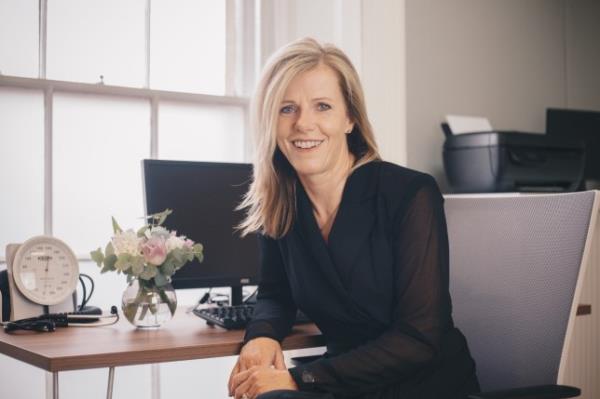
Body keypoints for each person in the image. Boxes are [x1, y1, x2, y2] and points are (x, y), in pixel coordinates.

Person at [227, 37, 479, 399]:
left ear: (350, 119)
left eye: (323, 106)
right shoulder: (282, 203)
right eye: (287, 109)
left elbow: (420, 339)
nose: (303, 124)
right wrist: (262, 336)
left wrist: (301, 379)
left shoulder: (409, 194)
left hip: (424, 387)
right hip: (346, 383)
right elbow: (275, 293)